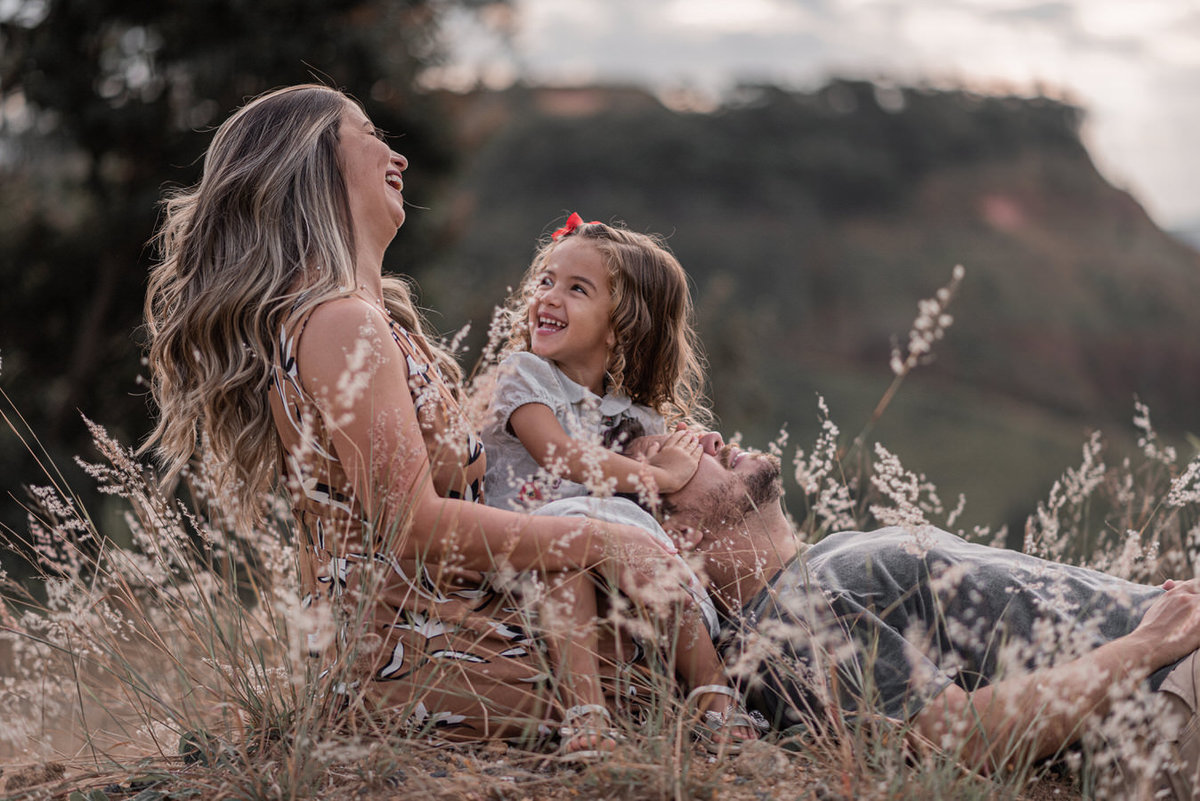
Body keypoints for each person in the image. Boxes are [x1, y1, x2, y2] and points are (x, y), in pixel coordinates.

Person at [138, 84, 692, 757]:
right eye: (370, 135)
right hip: (426, 657)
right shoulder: (342, 322)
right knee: (703, 660)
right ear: (316, 164)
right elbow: (412, 522)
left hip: (447, 628)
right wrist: (600, 540)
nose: (396, 155)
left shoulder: (363, 320)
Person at [631, 432, 1200, 797]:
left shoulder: (821, 563)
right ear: (678, 532)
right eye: (668, 456)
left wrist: (1156, 607)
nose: (707, 436)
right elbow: (959, 738)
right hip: (1167, 699)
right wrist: (1147, 643)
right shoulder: (784, 622)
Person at [481, 213, 757, 749]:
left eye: (576, 289)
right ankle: (586, 712)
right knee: (569, 547)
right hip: (528, 544)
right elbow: (560, 455)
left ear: (619, 327)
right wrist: (658, 474)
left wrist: (691, 454)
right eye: (546, 281)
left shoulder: (639, 419)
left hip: (608, 559)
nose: (548, 297)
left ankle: (715, 695)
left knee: (646, 552)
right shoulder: (524, 374)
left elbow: (655, 502)